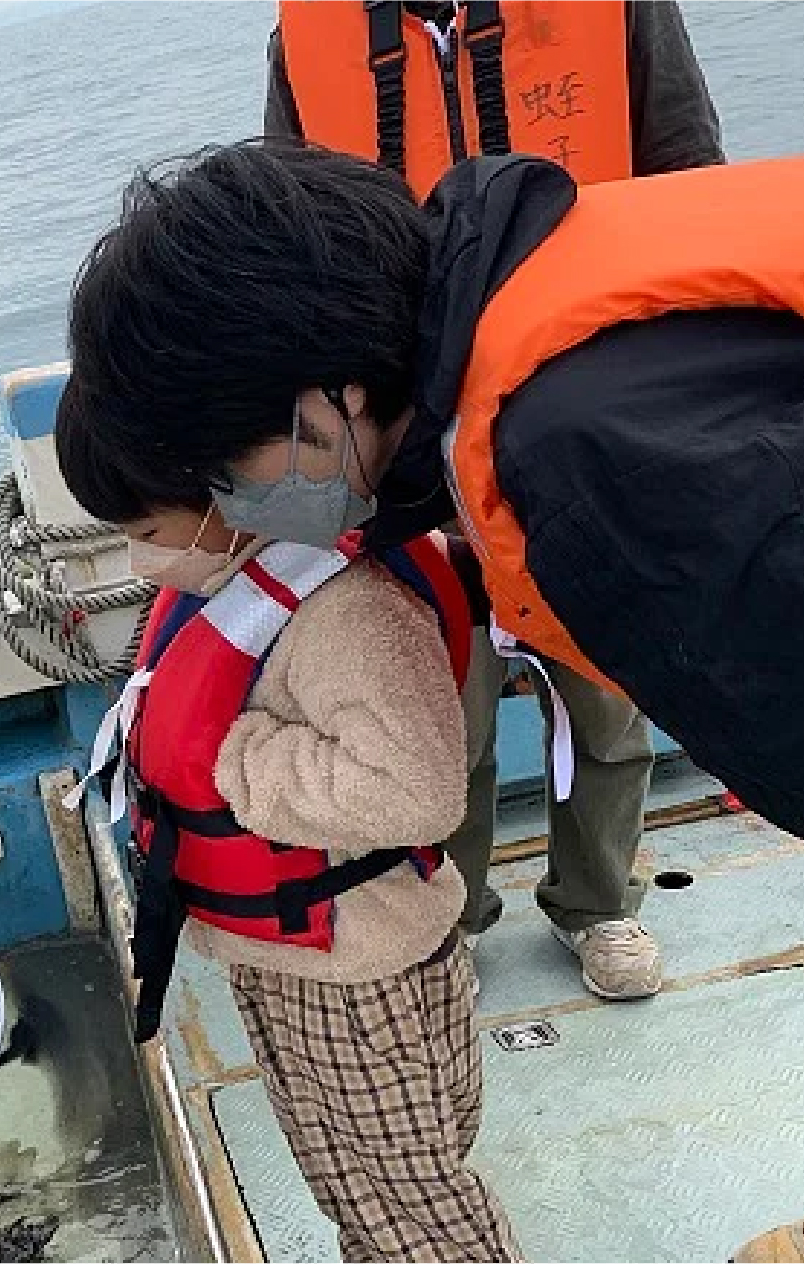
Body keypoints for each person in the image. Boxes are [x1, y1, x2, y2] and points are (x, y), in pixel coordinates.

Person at [61, 139, 804, 1262]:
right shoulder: (493, 280)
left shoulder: (594, 459)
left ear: (323, 405)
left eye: (222, 472)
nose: (230, 509)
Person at [263, 0, 728, 999]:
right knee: (438, 694)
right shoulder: (303, 39)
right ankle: (452, 916)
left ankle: (598, 901)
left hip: (590, 389)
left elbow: (690, 174)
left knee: (602, 683)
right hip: (405, 414)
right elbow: (284, 236)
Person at [58, 383, 518, 1262]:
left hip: (346, 967)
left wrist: (239, 760)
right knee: (389, 1166)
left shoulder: (346, 610)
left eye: (148, 536)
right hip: (308, 951)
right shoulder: (239, 574)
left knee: (395, 1197)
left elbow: (419, 792)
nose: (138, 562)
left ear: (220, 495)